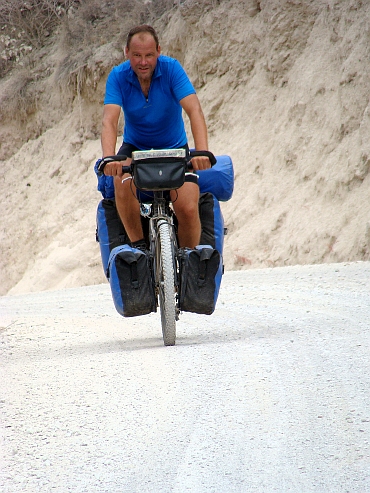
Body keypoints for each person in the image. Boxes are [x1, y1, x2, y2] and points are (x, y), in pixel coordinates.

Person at [100, 24, 211, 250]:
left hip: (174, 147)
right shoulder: (118, 76)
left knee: (188, 208)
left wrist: (201, 152)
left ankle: (188, 260)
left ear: (158, 51)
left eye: (149, 55)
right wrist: (109, 158)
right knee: (121, 181)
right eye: (137, 55)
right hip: (135, 147)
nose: (143, 62)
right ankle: (139, 247)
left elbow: (195, 111)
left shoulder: (172, 69)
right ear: (126, 53)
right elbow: (109, 120)